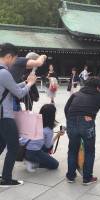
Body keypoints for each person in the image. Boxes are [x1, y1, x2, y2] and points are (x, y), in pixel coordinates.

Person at [64, 77, 100, 185]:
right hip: (87, 123)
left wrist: (71, 120)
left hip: (71, 122)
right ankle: (87, 178)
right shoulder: (99, 96)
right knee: (89, 151)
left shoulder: (76, 94)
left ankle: (70, 176)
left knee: (72, 149)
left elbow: (66, 109)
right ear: (98, 87)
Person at [0, 43, 37, 187]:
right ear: (9, 56)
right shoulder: (4, 72)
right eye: (15, 59)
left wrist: (26, 82)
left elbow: (10, 88)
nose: (15, 62)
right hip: (5, 115)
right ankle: (6, 179)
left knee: (2, 144)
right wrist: (30, 84)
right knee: (14, 146)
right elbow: (19, 93)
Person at [21, 104, 63, 172]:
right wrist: (57, 135)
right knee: (55, 164)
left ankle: (30, 159)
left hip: (23, 149)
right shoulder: (48, 130)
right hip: (33, 152)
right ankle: (33, 163)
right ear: (52, 116)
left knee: (41, 145)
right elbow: (48, 146)